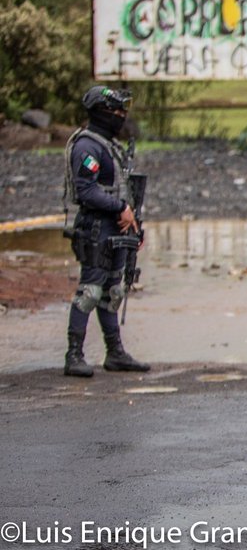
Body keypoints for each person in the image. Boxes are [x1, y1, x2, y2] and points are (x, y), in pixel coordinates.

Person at [62, 85, 150, 377]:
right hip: (97, 227)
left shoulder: (109, 144)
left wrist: (134, 224)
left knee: (113, 291)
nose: (121, 116)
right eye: (116, 110)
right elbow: (87, 191)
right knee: (90, 290)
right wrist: (119, 208)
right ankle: (74, 354)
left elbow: (124, 190)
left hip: (117, 228)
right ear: (101, 112)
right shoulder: (87, 147)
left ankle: (115, 353)